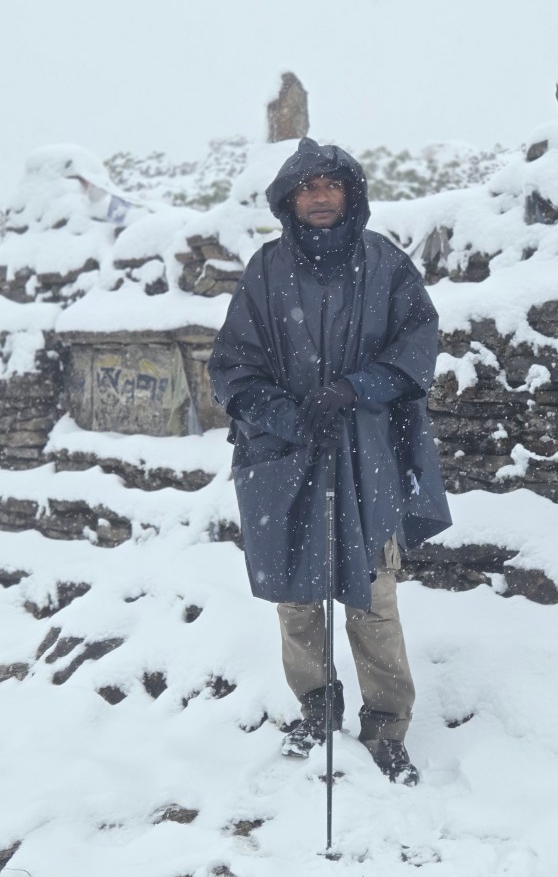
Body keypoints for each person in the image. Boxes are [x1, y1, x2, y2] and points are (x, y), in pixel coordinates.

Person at [208, 137, 451, 785]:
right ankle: (317, 707)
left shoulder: (384, 264)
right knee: (297, 598)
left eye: (331, 184)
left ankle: (387, 725)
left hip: (365, 454)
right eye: (307, 187)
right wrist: (290, 416)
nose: (319, 196)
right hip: (285, 457)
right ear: (290, 199)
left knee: (374, 597)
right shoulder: (265, 272)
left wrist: (354, 388)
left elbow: (417, 343)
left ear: (350, 193)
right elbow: (232, 367)